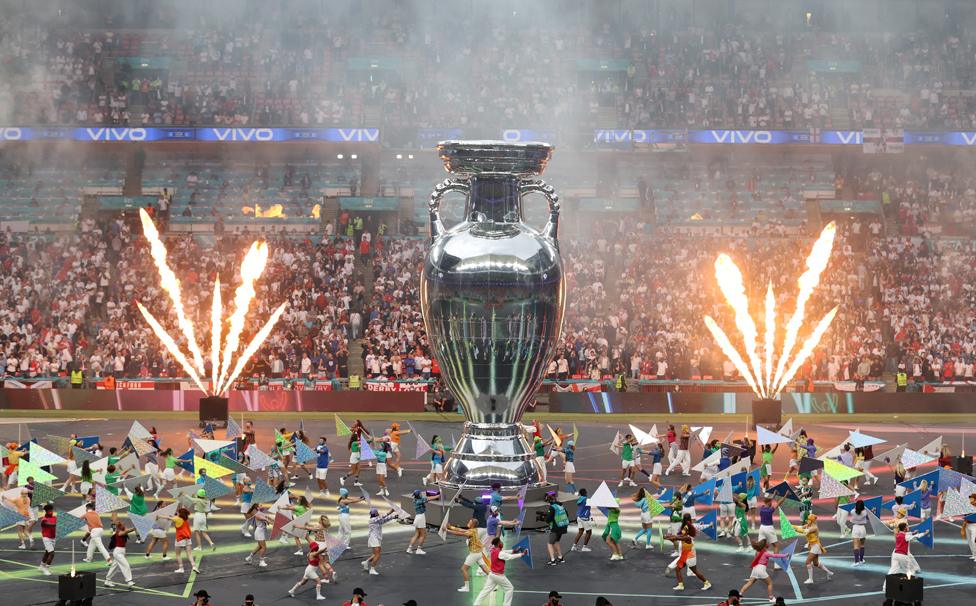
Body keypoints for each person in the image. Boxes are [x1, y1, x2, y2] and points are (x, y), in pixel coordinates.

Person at [664, 514, 712, 592]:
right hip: (685, 556)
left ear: (688, 531)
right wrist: (668, 537)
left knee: (695, 571)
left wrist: (667, 537)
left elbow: (677, 537)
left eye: (684, 530)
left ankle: (707, 583)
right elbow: (676, 538)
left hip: (690, 557)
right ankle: (680, 585)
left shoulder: (688, 538)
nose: (683, 531)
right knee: (677, 569)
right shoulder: (685, 533)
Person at [473, 537, 525, 606]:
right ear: (498, 544)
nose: (502, 543)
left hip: (491, 575)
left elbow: (505, 552)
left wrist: (514, 550)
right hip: (499, 576)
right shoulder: (500, 553)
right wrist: (521, 554)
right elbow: (509, 557)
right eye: (501, 542)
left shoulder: (493, 550)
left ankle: (476, 604)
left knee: (485, 591)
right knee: (509, 588)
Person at [446, 517, 485, 592]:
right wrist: (450, 527)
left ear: (472, 524)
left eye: (469, 522)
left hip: (474, 554)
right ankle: (495, 583)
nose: (468, 522)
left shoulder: (470, 532)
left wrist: (447, 530)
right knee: (485, 570)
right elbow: (461, 530)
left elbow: (459, 533)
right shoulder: (474, 530)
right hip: (479, 553)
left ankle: (467, 587)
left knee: (463, 569)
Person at [792, 514, 833, 584]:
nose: (807, 520)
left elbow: (804, 531)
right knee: (816, 563)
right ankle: (829, 572)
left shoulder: (814, 527)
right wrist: (791, 525)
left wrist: (794, 529)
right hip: (812, 546)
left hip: (816, 546)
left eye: (808, 519)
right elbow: (800, 527)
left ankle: (810, 579)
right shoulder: (808, 525)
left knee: (807, 562)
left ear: (811, 520)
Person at [362, 507, 398, 575]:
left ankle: (366, 562)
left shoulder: (377, 520)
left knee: (375, 554)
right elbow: (382, 517)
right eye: (377, 512)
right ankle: (372, 569)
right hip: (373, 538)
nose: (378, 513)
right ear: (375, 513)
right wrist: (391, 511)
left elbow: (384, 519)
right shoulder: (372, 520)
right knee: (377, 555)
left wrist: (394, 516)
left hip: (376, 538)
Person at [104, 522, 137, 587]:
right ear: (119, 527)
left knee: (114, 567)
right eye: (123, 525)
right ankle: (129, 581)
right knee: (126, 565)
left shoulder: (122, 530)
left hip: (121, 552)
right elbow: (127, 531)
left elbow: (127, 530)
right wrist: (134, 528)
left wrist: (135, 528)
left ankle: (107, 580)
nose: (124, 526)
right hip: (118, 552)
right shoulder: (119, 532)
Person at [544, 492, 569, 565]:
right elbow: (567, 514)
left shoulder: (552, 507)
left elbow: (548, 519)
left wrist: (546, 517)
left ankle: (552, 560)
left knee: (550, 543)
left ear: (549, 501)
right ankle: (560, 558)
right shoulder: (561, 505)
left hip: (556, 527)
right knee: (556, 541)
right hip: (563, 526)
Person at [172, 507, 199, 574]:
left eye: (178, 512)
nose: (177, 513)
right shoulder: (186, 519)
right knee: (189, 554)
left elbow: (169, 517)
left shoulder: (178, 519)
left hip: (180, 539)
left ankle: (181, 568)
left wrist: (159, 515)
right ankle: (194, 566)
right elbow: (175, 516)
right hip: (188, 539)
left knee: (178, 554)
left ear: (180, 514)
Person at [848, 499, 870, 566]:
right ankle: (861, 560)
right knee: (862, 545)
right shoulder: (865, 512)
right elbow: (868, 518)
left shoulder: (852, 511)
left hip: (855, 528)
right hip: (862, 528)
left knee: (855, 546)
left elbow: (854, 509)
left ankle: (856, 562)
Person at [38, 504, 57, 575]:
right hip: (46, 538)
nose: (51, 511)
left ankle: (41, 566)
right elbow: (49, 524)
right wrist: (57, 524)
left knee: (47, 552)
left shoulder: (54, 517)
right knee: (52, 553)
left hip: (53, 538)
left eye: (52, 510)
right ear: (46, 511)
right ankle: (46, 569)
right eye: (50, 510)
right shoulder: (44, 520)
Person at [960, 493, 976, 561]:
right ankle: (974, 555)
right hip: (967, 525)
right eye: (970, 498)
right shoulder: (967, 507)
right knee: (969, 541)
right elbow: (965, 517)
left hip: (974, 525)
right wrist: (963, 528)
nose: (970, 500)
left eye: (971, 498)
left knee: (973, 541)